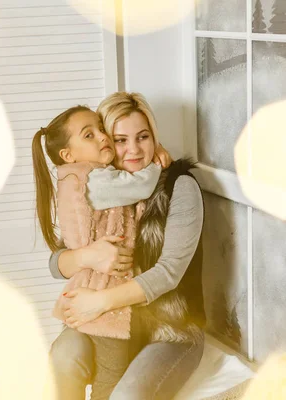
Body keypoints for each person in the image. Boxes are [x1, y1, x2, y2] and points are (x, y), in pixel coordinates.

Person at [48, 92, 206, 399]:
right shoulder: (100, 187)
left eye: (143, 137)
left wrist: (101, 301)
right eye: (120, 139)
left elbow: (169, 272)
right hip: (109, 325)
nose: (133, 149)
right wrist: (87, 256)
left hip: (169, 331)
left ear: (154, 139)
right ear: (106, 141)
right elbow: (56, 262)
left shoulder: (179, 186)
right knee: (64, 356)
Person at [32, 104, 169, 399]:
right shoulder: (95, 180)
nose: (102, 138)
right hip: (106, 298)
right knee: (111, 377)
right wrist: (158, 158)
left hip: (100, 294)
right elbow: (143, 185)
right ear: (68, 155)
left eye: (100, 129)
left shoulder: (79, 177)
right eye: (89, 135)